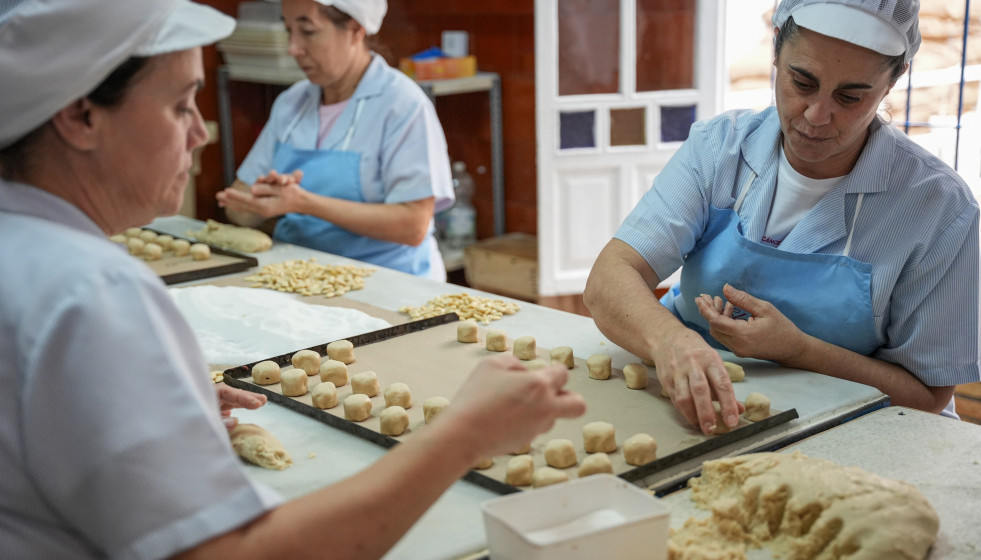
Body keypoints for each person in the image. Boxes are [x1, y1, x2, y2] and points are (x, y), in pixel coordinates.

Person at [0, 1, 586, 558]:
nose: (200, 134)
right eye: (181, 106)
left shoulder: (31, 254)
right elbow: (237, 553)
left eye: (308, 29)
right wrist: (465, 435)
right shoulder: (93, 295)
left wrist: (141, 400)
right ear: (81, 117)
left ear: (355, 29)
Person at [584, 0, 980, 435]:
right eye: (801, 81)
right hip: (693, 409)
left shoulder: (939, 211)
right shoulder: (721, 149)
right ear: (776, 50)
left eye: (850, 97)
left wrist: (800, 350)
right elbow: (610, 278)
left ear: (894, 80)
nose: (816, 116)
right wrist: (670, 341)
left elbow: (927, 396)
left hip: (857, 429)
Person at [216, 0, 454, 282]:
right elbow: (238, 206)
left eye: (308, 31)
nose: (293, 48)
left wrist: (303, 203)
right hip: (301, 278)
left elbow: (413, 225)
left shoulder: (402, 105)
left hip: (392, 285)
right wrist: (261, 200)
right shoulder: (292, 103)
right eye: (288, 30)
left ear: (355, 30)